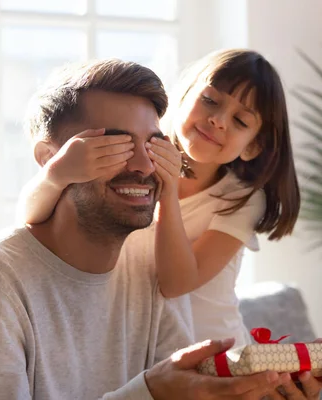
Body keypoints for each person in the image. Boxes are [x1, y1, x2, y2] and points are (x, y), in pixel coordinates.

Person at [0, 58, 322, 400]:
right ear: (51, 159)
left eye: (153, 146)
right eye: (115, 146)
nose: (143, 165)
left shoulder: (147, 258)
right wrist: (149, 393)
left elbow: (177, 387)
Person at [18, 49, 300, 347]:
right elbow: (31, 219)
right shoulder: (137, 162)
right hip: (143, 348)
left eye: (240, 121)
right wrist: (56, 174)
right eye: (210, 101)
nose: (218, 121)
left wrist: (167, 190)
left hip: (216, 354)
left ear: (252, 147)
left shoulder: (242, 199)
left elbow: (176, 283)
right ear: (183, 97)